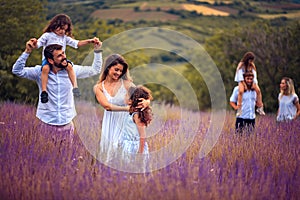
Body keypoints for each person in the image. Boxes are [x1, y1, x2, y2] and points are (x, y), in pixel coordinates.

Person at [12, 38, 103, 140]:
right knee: (44, 154)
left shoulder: (72, 70)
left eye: (63, 53)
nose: (64, 57)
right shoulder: (40, 72)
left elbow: (95, 70)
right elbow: (17, 70)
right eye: (59, 56)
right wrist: (27, 51)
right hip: (46, 124)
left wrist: (97, 50)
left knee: (66, 155)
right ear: (50, 60)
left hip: (67, 124)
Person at [93, 54, 149, 163]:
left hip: (124, 122)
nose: (118, 73)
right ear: (108, 67)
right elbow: (107, 106)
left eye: (120, 71)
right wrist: (128, 109)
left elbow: (142, 95)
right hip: (110, 122)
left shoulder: (127, 84)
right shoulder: (98, 87)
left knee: (121, 154)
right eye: (116, 69)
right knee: (108, 154)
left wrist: (147, 102)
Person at [35, 13, 99, 103]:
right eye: (61, 28)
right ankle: (44, 91)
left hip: (61, 59)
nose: (62, 31)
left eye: (64, 30)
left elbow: (77, 43)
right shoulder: (47, 35)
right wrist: (34, 43)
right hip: (48, 59)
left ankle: (75, 87)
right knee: (45, 69)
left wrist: (89, 41)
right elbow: (38, 44)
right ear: (55, 25)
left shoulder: (64, 38)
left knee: (69, 67)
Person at [119, 86, 153, 171]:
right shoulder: (131, 111)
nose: (124, 96)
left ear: (131, 100)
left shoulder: (136, 115)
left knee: (137, 170)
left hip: (135, 148)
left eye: (126, 95)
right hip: (127, 146)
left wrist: (140, 153)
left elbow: (142, 135)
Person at [234, 52, 265, 117]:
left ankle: (260, 107)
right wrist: (244, 84)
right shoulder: (241, 65)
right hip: (242, 80)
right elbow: (239, 76)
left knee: (258, 91)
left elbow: (254, 74)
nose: (251, 61)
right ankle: (239, 108)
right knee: (241, 91)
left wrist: (254, 83)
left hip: (251, 79)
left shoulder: (252, 65)